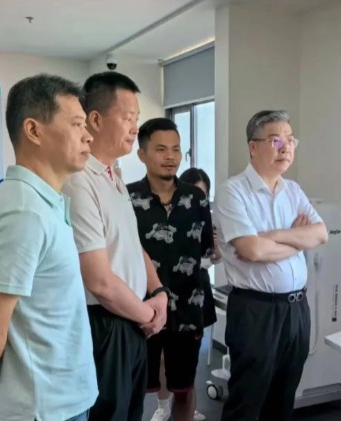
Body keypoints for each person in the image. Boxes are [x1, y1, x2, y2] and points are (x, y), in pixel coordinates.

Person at [0, 74, 97, 421]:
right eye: (76, 124)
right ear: (34, 130)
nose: (88, 136)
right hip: (39, 410)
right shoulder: (22, 211)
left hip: (59, 401)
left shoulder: (41, 203)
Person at [62, 71, 169, 421]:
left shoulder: (114, 176)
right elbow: (99, 281)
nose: (135, 127)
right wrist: (148, 315)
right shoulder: (79, 181)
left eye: (137, 118)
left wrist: (159, 292)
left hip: (132, 317)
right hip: (106, 324)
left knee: (131, 411)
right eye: (128, 117)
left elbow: (133, 246)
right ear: (95, 120)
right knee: (110, 413)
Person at [214, 110, 328, 421]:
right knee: (247, 401)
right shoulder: (232, 191)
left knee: (283, 399)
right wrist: (297, 240)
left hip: (297, 309)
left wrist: (271, 237)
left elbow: (321, 234)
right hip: (256, 311)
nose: (286, 148)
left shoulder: (293, 190)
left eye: (291, 141)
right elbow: (251, 250)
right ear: (253, 147)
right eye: (276, 140)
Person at [126, 118, 215, 421]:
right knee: (134, 386)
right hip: (140, 308)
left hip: (188, 307)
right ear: (142, 154)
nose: (170, 156)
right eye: (161, 149)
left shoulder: (196, 198)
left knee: (184, 388)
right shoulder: (127, 198)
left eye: (176, 149)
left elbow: (206, 248)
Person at [180, 167, 220, 331]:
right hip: (179, 291)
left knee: (201, 338)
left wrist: (217, 251)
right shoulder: (173, 218)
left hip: (201, 286)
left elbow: (215, 257)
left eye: (203, 194)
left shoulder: (208, 218)